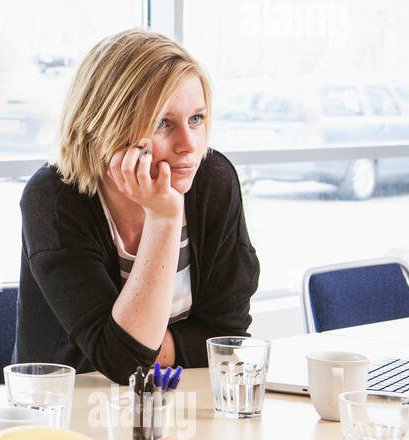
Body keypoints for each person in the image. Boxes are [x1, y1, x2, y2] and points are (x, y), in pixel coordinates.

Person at [16, 28, 260, 384]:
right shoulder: (53, 199)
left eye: (197, 119)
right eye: (163, 123)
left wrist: (142, 350)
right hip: (71, 412)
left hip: (183, 399)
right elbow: (123, 363)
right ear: (107, 125)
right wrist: (164, 218)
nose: (189, 145)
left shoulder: (212, 181)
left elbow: (227, 337)